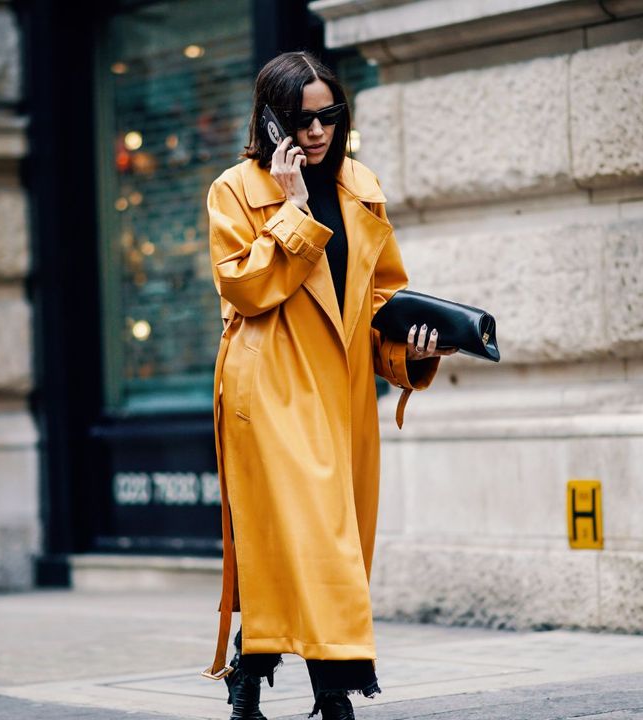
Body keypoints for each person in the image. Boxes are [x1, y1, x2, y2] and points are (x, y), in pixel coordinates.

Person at [202, 51, 455, 720]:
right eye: (300, 118)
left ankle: (247, 677)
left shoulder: (361, 185)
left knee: (306, 544)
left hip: (341, 391)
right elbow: (245, 288)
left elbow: (379, 298)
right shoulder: (236, 190)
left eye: (328, 116)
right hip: (273, 386)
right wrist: (292, 209)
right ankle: (334, 693)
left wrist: (410, 349)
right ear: (270, 120)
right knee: (315, 540)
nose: (316, 131)